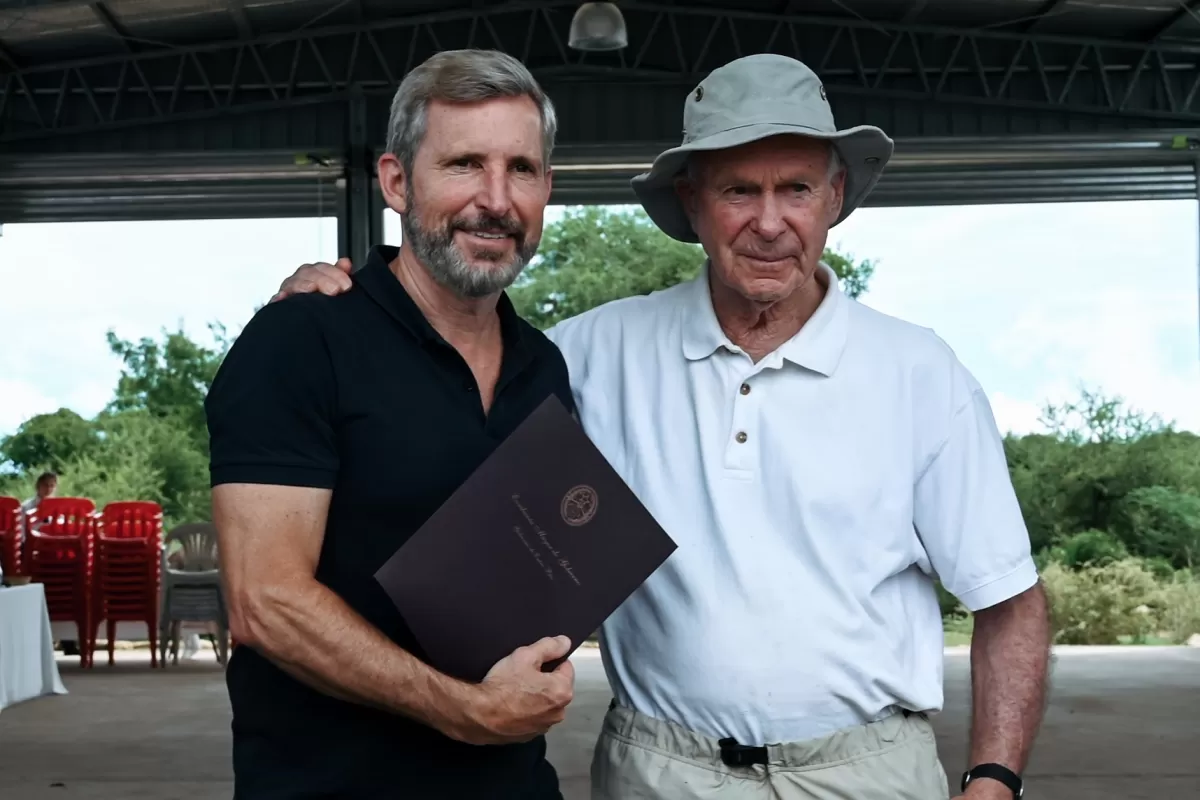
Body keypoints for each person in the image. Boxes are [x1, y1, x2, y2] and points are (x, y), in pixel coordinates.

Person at [272, 54, 1052, 800]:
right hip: (661, 771)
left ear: (836, 194)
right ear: (691, 201)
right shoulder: (585, 354)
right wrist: (337, 302)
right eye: (739, 190)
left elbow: (1008, 600)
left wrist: (994, 779)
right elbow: (440, 364)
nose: (770, 222)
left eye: (798, 189)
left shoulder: (921, 373)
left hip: (870, 771)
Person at [204, 49, 578, 799]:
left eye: (522, 170)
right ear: (396, 182)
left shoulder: (544, 367)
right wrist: (467, 711)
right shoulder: (302, 341)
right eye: (465, 164)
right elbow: (265, 603)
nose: (496, 200)